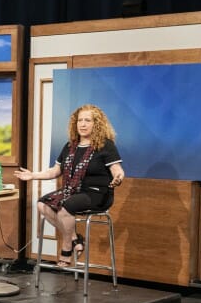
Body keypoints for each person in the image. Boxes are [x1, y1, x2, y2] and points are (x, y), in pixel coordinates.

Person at [15, 104, 125, 267]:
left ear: (97, 124)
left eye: (88, 120)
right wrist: (33, 175)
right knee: (42, 204)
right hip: (73, 191)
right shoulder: (70, 146)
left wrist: (118, 177)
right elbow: (55, 171)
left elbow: (117, 170)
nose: (83, 124)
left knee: (65, 207)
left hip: (97, 193)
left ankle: (66, 248)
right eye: (80, 120)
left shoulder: (105, 145)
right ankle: (75, 239)